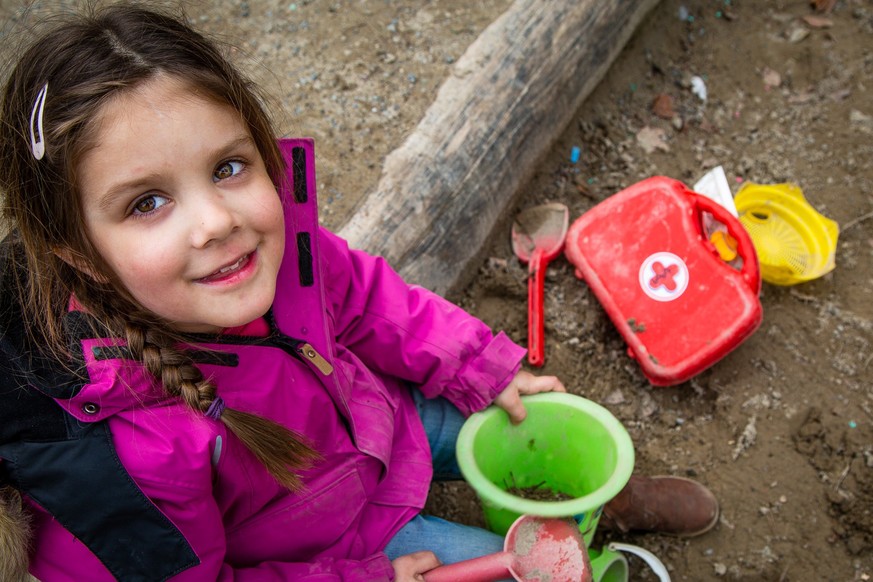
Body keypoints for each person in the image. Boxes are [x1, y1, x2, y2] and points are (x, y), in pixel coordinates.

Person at [0, 5, 718, 581]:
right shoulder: (126, 454)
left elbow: (377, 303)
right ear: (78, 253)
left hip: (384, 428)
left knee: (541, 414)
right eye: (146, 203)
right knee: (527, 571)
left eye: (227, 167)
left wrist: (479, 366)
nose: (217, 222)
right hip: (332, 550)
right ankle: (574, 547)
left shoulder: (277, 256)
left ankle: (605, 503)